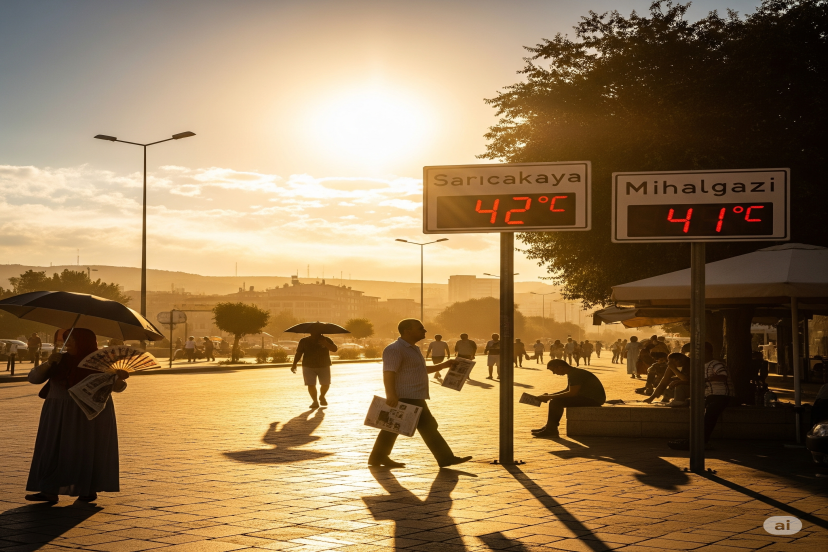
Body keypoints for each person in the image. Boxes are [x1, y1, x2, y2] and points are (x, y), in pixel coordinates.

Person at [25, 328, 129, 504]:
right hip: (58, 411)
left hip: (88, 413)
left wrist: (119, 378)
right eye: (67, 338)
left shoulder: (101, 361)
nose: (68, 342)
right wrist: (49, 363)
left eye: (73, 339)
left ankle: (87, 489)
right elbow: (34, 378)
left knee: (85, 449)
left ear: (84, 342)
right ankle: (49, 490)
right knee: (53, 448)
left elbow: (118, 388)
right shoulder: (59, 359)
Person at [369, 319, 472, 468]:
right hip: (405, 396)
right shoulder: (395, 349)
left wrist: (443, 365)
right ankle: (445, 458)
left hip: (415, 395)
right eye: (420, 328)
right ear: (407, 331)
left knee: (392, 428)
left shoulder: (414, 349)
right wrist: (391, 395)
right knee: (426, 427)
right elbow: (389, 373)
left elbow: (420, 370)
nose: (424, 331)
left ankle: (377, 457)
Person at [669, 342, 735, 449]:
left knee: (709, 415)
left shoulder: (716, 364)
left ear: (706, 352)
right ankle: (693, 441)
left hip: (721, 395)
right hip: (710, 396)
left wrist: (706, 379)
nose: (693, 355)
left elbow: (722, 376)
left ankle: (699, 442)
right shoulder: (702, 366)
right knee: (697, 415)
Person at [532, 359, 606, 438]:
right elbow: (568, 390)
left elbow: (572, 393)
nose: (554, 373)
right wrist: (549, 396)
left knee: (555, 403)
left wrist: (549, 397)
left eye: (553, 370)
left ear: (560, 367)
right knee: (555, 401)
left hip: (593, 400)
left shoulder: (575, 374)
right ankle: (550, 427)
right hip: (589, 398)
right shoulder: (573, 372)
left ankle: (551, 429)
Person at [291, 330, 337, 409]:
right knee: (311, 384)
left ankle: (322, 396)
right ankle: (315, 401)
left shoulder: (326, 339)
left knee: (326, 384)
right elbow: (299, 352)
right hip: (308, 366)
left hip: (324, 365)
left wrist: (325, 343)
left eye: (317, 332)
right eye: (313, 332)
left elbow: (334, 349)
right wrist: (294, 363)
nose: (315, 334)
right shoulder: (304, 341)